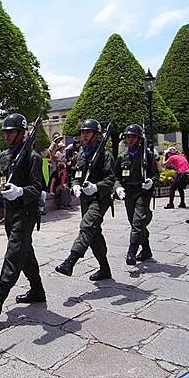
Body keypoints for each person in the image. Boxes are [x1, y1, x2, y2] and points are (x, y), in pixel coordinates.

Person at [0, 113, 46, 315]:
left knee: (15, 250)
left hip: (26, 212)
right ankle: (37, 290)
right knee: (25, 251)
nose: (7, 136)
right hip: (9, 212)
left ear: (22, 133)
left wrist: (20, 191)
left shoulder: (32, 157)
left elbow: (38, 187)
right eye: (6, 132)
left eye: (11, 132)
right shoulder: (4, 156)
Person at [55, 119, 116, 281]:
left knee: (87, 226)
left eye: (87, 132)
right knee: (94, 233)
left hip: (99, 198)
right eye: (82, 132)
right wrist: (75, 184)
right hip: (85, 199)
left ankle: (70, 261)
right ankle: (105, 268)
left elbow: (110, 179)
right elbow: (76, 174)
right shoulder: (82, 153)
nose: (84, 135)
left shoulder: (105, 154)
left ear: (96, 135)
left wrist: (96, 187)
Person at [114, 125, 159, 265]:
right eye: (128, 136)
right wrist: (118, 188)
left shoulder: (147, 155)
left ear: (139, 138)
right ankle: (146, 250)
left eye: (133, 136)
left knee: (137, 222)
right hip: (128, 193)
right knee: (134, 223)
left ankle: (131, 252)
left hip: (142, 192)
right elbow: (116, 177)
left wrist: (151, 181)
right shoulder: (122, 156)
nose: (130, 139)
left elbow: (155, 174)